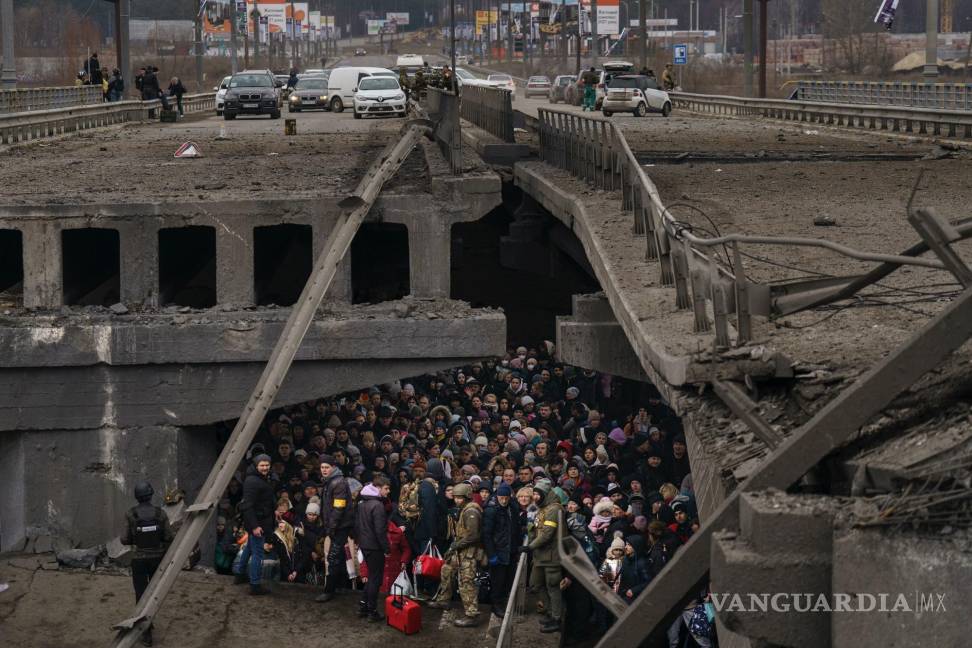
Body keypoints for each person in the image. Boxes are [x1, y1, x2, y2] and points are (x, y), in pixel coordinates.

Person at [121, 481, 173, 647]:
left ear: (137, 497)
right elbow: (168, 537)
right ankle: (150, 621)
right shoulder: (161, 513)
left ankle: (146, 632)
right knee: (154, 594)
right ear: (151, 495)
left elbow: (125, 539)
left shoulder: (130, 514)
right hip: (158, 559)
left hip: (139, 560)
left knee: (141, 595)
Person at [427, 482, 484, 627]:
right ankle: (443, 600)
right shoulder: (463, 509)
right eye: (456, 497)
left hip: (468, 552)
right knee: (446, 570)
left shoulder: (471, 511)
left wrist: (455, 546)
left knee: (466, 582)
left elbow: (473, 536)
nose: (457, 500)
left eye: (460, 497)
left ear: (467, 496)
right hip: (460, 550)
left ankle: (472, 614)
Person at [523, 478, 564, 634]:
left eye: (537, 494)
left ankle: (556, 618)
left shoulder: (554, 509)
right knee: (535, 584)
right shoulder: (542, 508)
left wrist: (529, 547)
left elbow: (547, 534)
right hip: (540, 556)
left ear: (545, 494)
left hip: (552, 556)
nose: (535, 497)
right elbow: (536, 529)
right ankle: (549, 611)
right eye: (534, 494)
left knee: (553, 586)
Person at [236, 454, 276, 595]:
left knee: (249, 548)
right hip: (258, 522)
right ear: (256, 465)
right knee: (258, 553)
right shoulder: (252, 481)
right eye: (262, 465)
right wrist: (254, 526)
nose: (265, 468)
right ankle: (255, 584)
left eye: (267, 465)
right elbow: (247, 505)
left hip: (260, 519)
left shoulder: (260, 477)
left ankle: (240, 574)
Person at [354, 474, 391, 621]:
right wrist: (386, 548)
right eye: (386, 488)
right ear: (377, 488)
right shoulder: (377, 505)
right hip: (375, 546)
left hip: (365, 544)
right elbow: (380, 531)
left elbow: (357, 525)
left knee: (371, 577)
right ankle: (372, 611)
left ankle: (363, 606)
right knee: (376, 579)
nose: (388, 491)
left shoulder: (363, 503)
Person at [317, 454, 353, 602]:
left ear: (333, 467)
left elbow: (339, 507)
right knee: (338, 556)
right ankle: (341, 586)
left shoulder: (338, 483)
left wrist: (331, 527)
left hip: (340, 526)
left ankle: (329, 590)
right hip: (336, 525)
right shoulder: (330, 481)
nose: (324, 470)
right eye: (322, 467)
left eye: (327, 467)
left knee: (333, 556)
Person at [483, 482, 518, 618]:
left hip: (509, 549)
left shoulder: (512, 508)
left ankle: (503, 602)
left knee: (507, 579)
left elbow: (514, 527)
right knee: (498, 580)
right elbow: (486, 534)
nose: (503, 500)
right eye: (501, 497)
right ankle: (496, 605)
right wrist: (491, 554)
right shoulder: (491, 510)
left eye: (506, 497)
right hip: (498, 550)